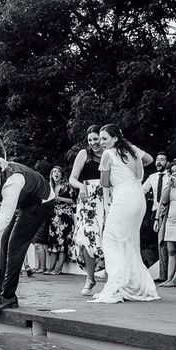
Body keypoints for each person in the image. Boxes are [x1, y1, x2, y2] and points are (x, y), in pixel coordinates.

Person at [0, 158, 55, 316]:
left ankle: (8, 297)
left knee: (15, 246)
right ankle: (5, 295)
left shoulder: (12, 182)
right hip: (24, 204)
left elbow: (4, 219)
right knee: (5, 242)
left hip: (40, 203)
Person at [90, 124, 161, 303]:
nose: (101, 142)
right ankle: (134, 285)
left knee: (111, 239)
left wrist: (113, 175)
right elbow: (150, 159)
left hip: (123, 198)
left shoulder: (108, 154)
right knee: (129, 242)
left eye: (104, 138)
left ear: (115, 138)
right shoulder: (134, 150)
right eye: (100, 138)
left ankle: (118, 284)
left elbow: (105, 183)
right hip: (138, 197)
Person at [68, 125, 108, 295]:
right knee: (86, 236)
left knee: (108, 237)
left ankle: (110, 280)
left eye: (96, 139)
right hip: (88, 202)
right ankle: (90, 279)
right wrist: (81, 187)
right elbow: (72, 179)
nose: (93, 143)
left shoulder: (110, 154)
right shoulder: (84, 154)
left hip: (107, 198)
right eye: (90, 140)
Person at [142, 152, 170, 281]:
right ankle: (162, 273)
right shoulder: (152, 177)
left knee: (164, 242)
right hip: (155, 212)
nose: (159, 162)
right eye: (157, 159)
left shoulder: (171, 176)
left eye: (162, 160)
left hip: (168, 211)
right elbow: (143, 191)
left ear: (167, 162)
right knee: (158, 243)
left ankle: (165, 274)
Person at [46, 166, 77, 275]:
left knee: (63, 243)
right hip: (54, 218)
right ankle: (50, 269)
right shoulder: (50, 187)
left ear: (62, 174)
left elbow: (74, 200)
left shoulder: (67, 186)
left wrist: (60, 199)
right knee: (54, 243)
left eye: (58, 171)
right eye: (54, 171)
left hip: (65, 217)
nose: (56, 173)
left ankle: (57, 270)